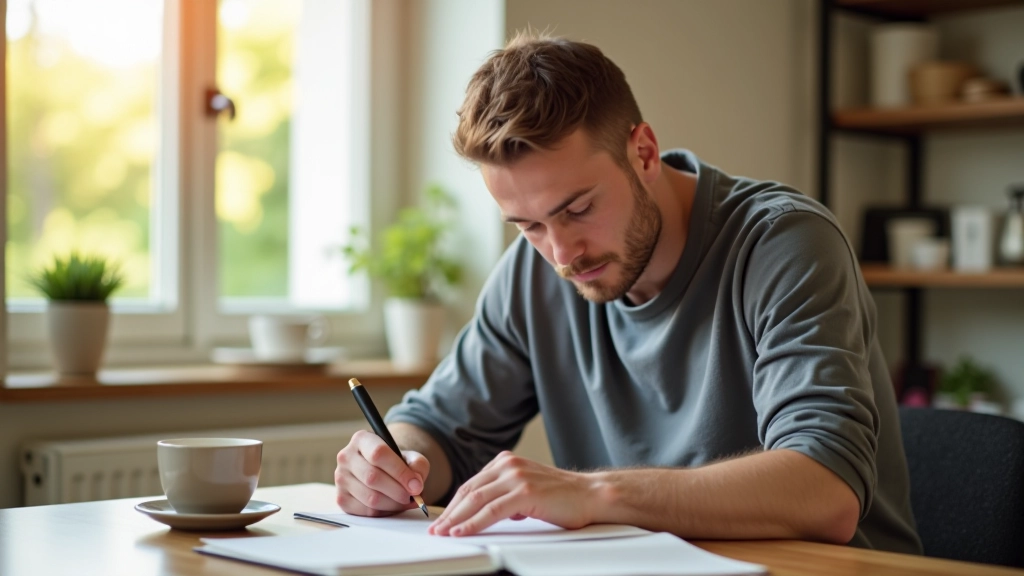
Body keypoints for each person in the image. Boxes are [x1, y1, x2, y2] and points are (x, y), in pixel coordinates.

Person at [334, 32, 923, 554]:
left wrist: (593, 492)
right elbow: (437, 425)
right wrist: (394, 464)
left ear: (642, 152)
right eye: (529, 226)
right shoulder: (533, 273)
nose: (562, 254)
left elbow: (826, 490)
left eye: (579, 209)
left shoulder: (782, 243)